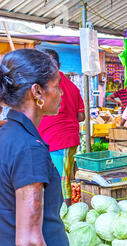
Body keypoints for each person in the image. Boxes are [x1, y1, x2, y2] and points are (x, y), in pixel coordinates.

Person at [0, 49, 79, 246]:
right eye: (57, 86)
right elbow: (29, 242)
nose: (62, 92)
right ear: (37, 92)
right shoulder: (28, 148)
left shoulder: (8, 136)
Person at [37, 48, 85, 207]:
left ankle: (67, 214)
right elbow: (81, 117)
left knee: (61, 180)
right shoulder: (72, 86)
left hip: (58, 138)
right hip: (64, 139)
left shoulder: (45, 86)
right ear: (59, 64)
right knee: (60, 178)